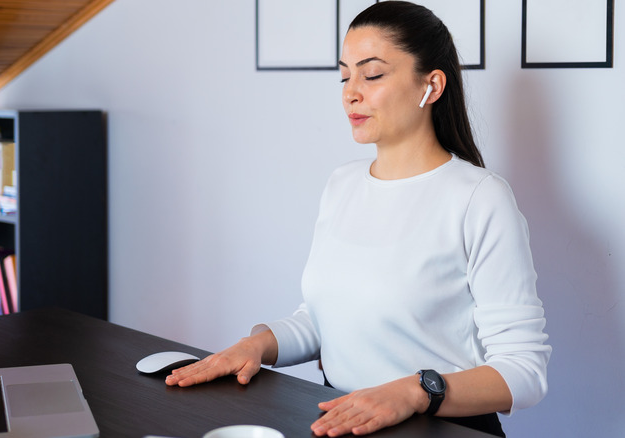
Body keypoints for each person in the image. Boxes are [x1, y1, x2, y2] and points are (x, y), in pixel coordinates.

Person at [166, 2, 551, 436]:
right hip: (344, 421)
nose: (351, 92)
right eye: (345, 75)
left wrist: (414, 391)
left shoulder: (481, 199)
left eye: (372, 75)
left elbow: (524, 371)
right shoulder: (342, 184)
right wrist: (256, 344)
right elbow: (324, 319)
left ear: (432, 85)